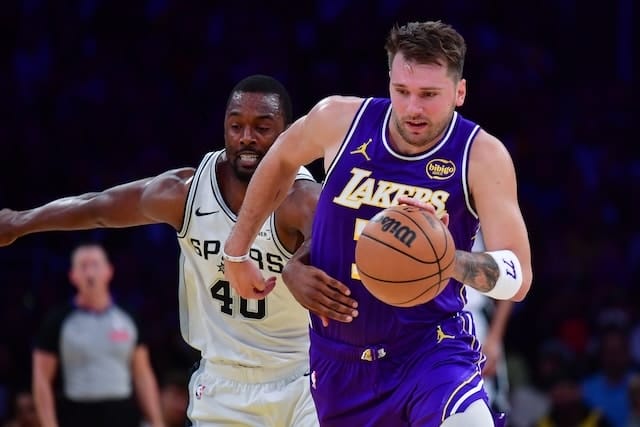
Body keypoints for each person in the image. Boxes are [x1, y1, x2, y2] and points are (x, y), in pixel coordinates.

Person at [223, 21, 533, 426]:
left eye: (429, 95)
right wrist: (236, 251)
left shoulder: (481, 155)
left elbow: (519, 276)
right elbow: (280, 160)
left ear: (459, 93)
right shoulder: (339, 120)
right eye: (402, 91)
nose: (413, 108)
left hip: (430, 349)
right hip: (339, 361)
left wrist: (448, 260)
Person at [0, 75, 322, 426]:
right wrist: (18, 221)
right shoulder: (186, 192)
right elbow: (97, 208)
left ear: (286, 133)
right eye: (236, 126)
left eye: (262, 127)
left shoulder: (303, 198)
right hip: (223, 385)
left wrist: (300, 262)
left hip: (304, 377)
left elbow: (340, 245)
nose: (247, 137)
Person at [32, 244, 164, 427]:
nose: (89, 273)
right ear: (73, 275)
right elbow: (42, 379)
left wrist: (156, 421)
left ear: (109, 271)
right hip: (77, 414)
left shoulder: (128, 317)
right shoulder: (57, 321)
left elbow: (142, 374)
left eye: (95, 264)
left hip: (122, 414)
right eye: (83, 266)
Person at [465, 230, 512, 413]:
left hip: (471, 319)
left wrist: (494, 338)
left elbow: (512, 272)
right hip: (416, 322)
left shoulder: (481, 217)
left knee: (480, 407)